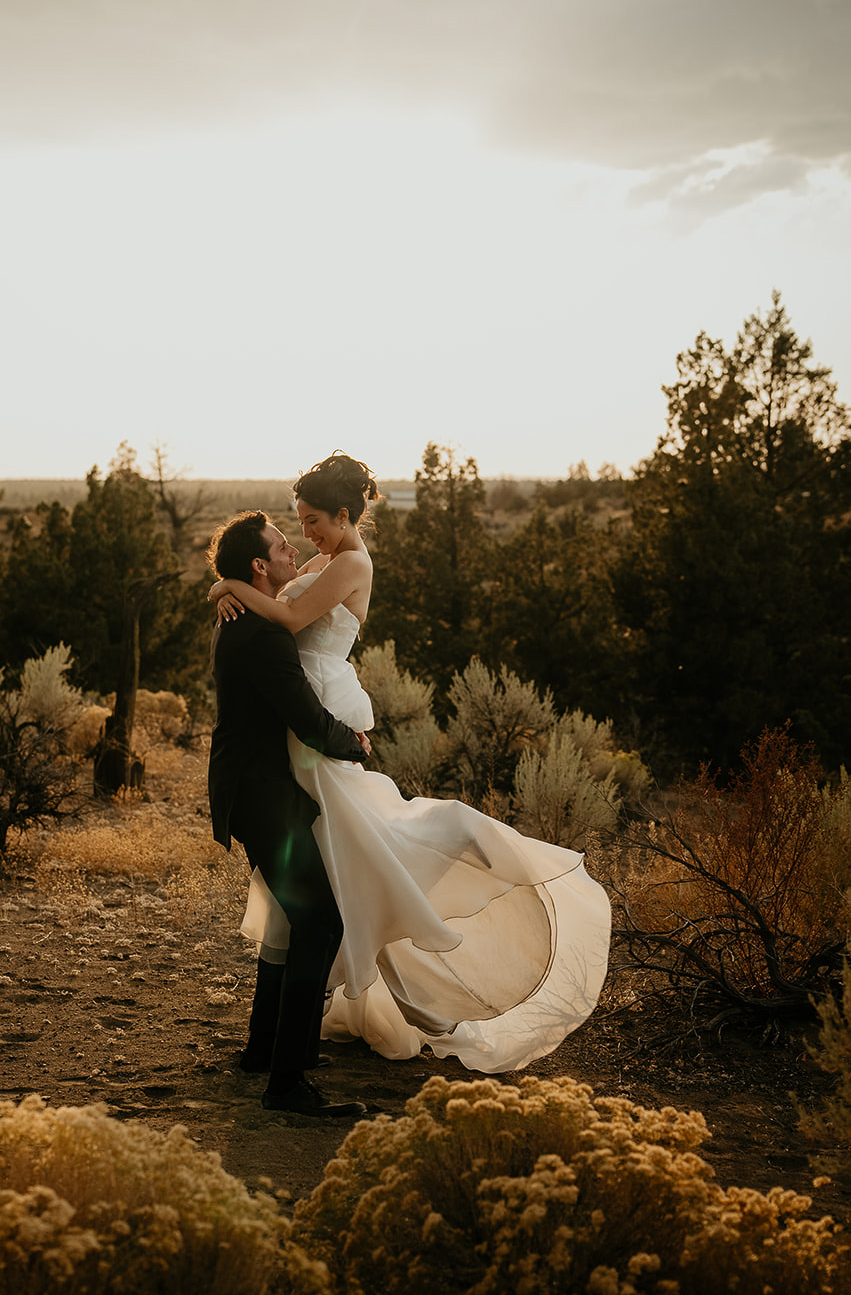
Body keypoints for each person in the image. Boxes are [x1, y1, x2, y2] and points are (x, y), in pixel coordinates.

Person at [208, 452, 611, 1074]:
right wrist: (227, 584)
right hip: (300, 726)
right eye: (297, 526)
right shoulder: (320, 561)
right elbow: (280, 595)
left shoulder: (351, 564)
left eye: (312, 521)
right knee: (320, 879)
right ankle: (276, 1055)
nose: (305, 535)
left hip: (320, 722)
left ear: (345, 515)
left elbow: (287, 614)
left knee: (356, 856)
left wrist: (231, 586)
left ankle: (459, 853)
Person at [206, 509, 368, 1118]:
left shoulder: (235, 617)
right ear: (258, 566)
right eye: (281, 546)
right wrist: (355, 743)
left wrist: (223, 587)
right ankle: (287, 1083)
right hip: (264, 797)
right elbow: (305, 717)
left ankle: (264, 1050)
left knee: (289, 917)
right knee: (321, 924)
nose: (292, 552)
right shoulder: (265, 634)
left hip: (254, 792)